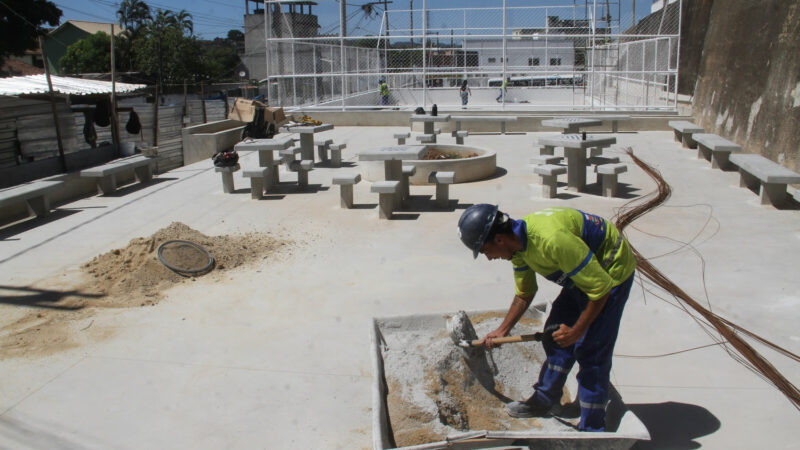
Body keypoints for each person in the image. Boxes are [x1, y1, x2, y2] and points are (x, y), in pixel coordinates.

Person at [456, 204, 636, 432]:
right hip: (581, 274)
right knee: (554, 333)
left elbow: (600, 290)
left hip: (610, 271)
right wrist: (502, 330)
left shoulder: (551, 240)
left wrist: (578, 330)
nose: (489, 258)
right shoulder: (519, 249)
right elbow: (525, 293)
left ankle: (592, 428)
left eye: (485, 251)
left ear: (499, 239)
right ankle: (545, 399)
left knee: (591, 349)